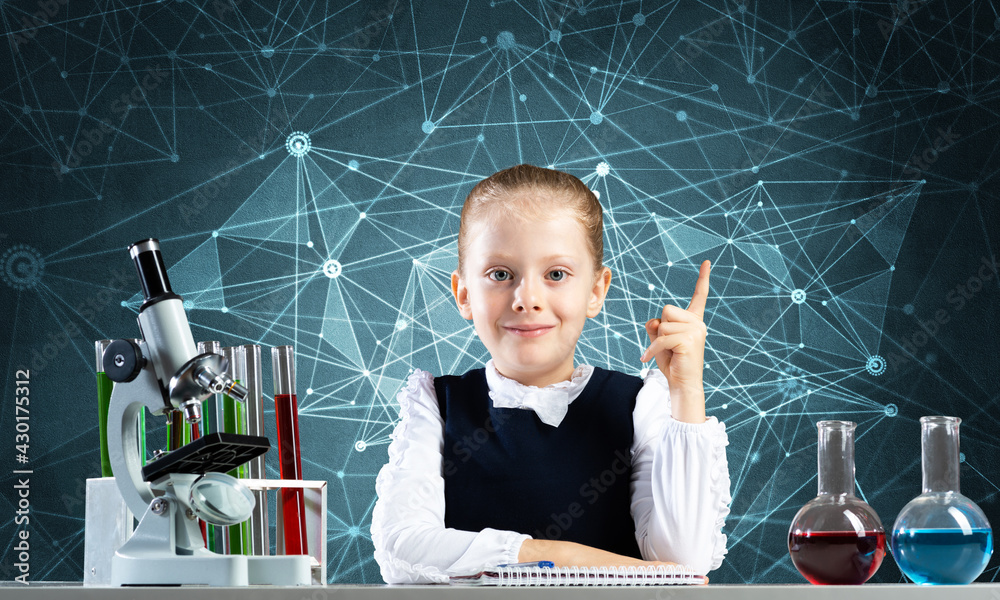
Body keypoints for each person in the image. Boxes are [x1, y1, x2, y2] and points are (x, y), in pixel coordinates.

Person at [371, 164, 731, 584]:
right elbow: (403, 551)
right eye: (500, 275)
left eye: (556, 274)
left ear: (596, 291)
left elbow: (682, 566)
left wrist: (685, 390)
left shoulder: (641, 404)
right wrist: (557, 556)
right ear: (464, 294)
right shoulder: (436, 403)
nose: (527, 299)